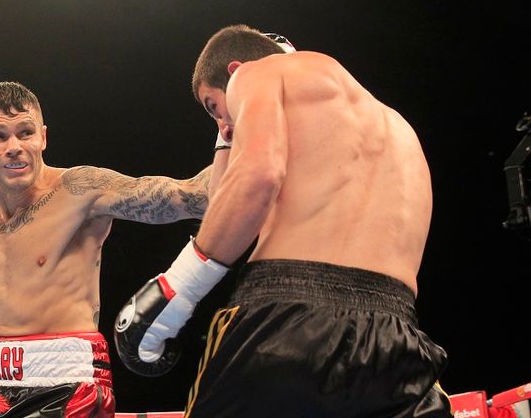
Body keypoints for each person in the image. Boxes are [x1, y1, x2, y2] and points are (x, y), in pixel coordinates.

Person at [113, 24, 452, 417]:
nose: (222, 126)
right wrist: (228, 129)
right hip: (395, 342)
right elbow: (220, 200)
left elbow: (255, 179)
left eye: (212, 107)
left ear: (236, 70)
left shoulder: (257, 74)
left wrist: (179, 288)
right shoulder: (399, 129)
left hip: (285, 323)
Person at [0, 81, 214, 418]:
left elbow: (189, 197)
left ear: (43, 137)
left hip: (63, 385)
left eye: (25, 133)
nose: (14, 146)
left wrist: (241, 128)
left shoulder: (81, 190)